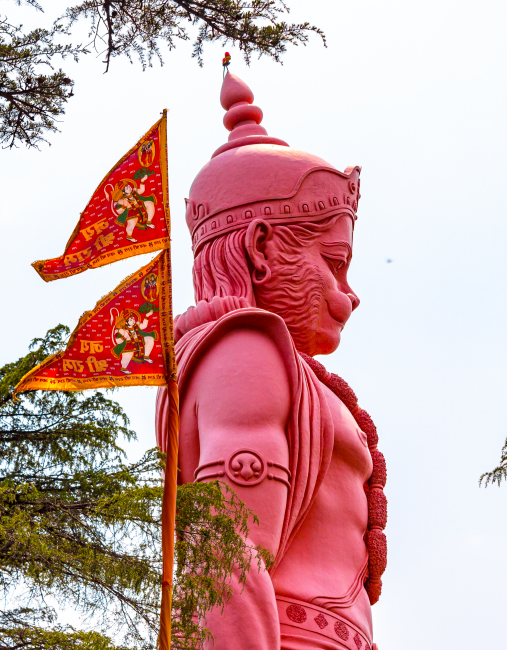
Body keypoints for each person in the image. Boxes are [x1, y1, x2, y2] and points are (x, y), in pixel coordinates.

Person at [156, 72, 385, 650]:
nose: (349, 293)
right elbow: (225, 562)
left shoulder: (284, 368)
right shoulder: (246, 352)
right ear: (260, 251)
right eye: (334, 262)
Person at [111, 308, 156, 373]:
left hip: (139, 341)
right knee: (128, 355)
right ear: (126, 322)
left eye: (133, 319)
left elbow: (144, 325)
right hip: (128, 345)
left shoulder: (136, 325)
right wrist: (124, 336)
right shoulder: (122, 330)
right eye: (131, 319)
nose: (133, 320)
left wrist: (147, 316)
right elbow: (118, 341)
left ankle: (146, 356)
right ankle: (123, 368)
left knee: (150, 339)